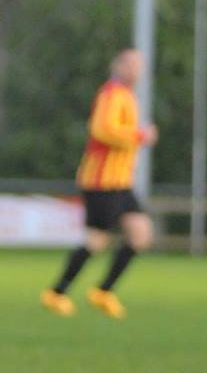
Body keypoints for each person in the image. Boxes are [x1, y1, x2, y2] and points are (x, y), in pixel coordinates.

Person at [41, 49, 157, 319]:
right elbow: (102, 129)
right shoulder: (111, 94)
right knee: (96, 239)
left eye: (139, 65)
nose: (136, 70)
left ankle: (103, 291)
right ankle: (56, 292)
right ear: (117, 66)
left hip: (121, 182)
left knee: (140, 233)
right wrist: (139, 135)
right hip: (101, 181)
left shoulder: (128, 96)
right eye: (130, 64)